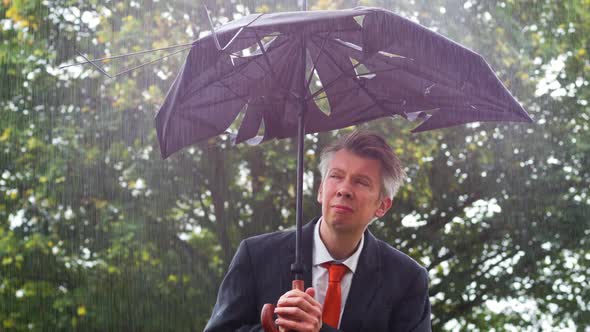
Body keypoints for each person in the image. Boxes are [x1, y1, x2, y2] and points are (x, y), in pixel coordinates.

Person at [204, 131, 431, 332]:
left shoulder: (407, 280)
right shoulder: (256, 255)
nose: (344, 190)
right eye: (336, 176)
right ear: (321, 189)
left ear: (383, 205)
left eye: (361, 182)